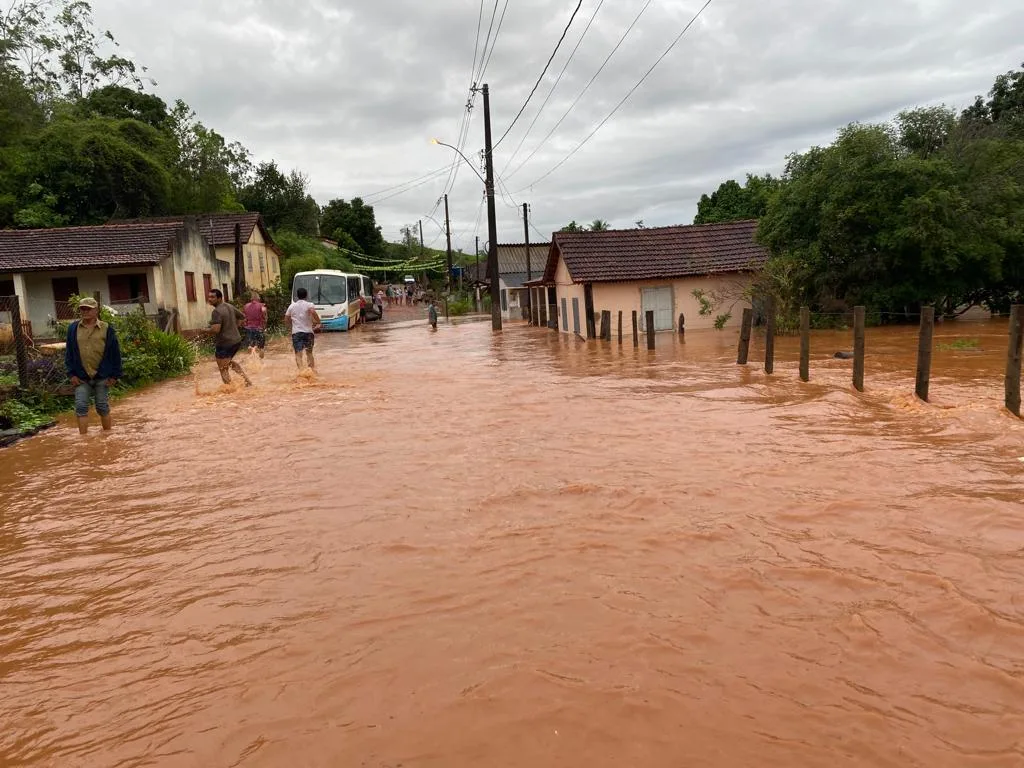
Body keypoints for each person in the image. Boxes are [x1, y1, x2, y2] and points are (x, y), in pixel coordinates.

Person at [65, 297, 122, 434]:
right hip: (81, 376)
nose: (85, 311)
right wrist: (71, 374)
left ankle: (108, 436)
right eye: (82, 309)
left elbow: (115, 353)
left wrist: (115, 375)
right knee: (80, 407)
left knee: (102, 406)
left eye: (88, 309)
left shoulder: (107, 328)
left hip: (102, 375)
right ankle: (83, 440)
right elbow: (69, 353)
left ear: (96, 310)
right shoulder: (73, 329)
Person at [207, 289, 252, 387]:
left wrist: (202, 330)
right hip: (236, 340)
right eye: (209, 296)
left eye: (212, 297)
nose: (209, 299)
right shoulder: (229, 306)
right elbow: (242, 316)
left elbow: (216, 330)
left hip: (224, 343)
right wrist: (236, 326)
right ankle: (247, 381)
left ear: (219, 298)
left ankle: (230, 390)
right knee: (228, 363)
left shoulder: (216, 311)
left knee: (223, 368)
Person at [285, 287, 321, 370]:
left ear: (297, 296)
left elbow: (286, 319)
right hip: (308, 332)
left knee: (298, 354)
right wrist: (319, 322)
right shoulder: (309, 304)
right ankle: (311, 371)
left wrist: (291, 327)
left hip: (296, 333)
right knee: (309, 353)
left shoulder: (292, 306)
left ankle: (301, 372)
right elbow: (313, 312)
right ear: (306, 295)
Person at [243, 290, 268, 359]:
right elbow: (265, 316)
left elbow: (244, 318)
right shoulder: (262, 305)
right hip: (259, 328)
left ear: (251, 298)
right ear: (258, 298)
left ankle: (252, 359)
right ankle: (261, 361)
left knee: (251, 346)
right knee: (261, 347)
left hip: (249, 328)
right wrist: (264, 326)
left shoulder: (246, 306)